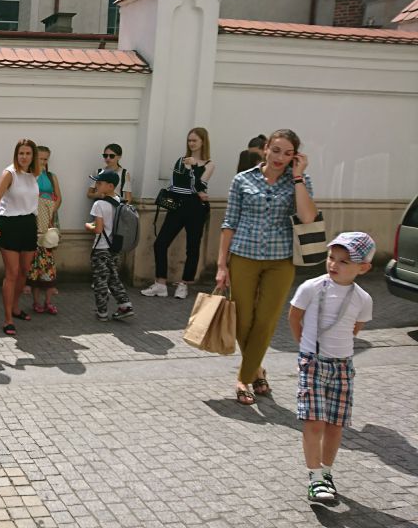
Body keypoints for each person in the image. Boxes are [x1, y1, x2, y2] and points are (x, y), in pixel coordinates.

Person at [216, 128, 318, 405]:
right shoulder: (242, 179)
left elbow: (308, 218)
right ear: (265, 149)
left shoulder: (299, 180)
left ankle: (243, 378)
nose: (279, 157)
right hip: (243, 256)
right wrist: (222, 264)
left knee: (266, 320)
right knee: (243, 320)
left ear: (295, 156)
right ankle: (257, 370)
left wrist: (298, 177)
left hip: (281, 260)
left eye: (287, 153)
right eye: (276, 150)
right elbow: (229, 223)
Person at [288, 232, 374, 503]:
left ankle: (326, 473)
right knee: (314, 422)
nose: (334, 264)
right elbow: (294, 317)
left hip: (343, 366)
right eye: (331, 257)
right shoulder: (311, 287)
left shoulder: (363, 298)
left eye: (344, 261)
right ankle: (314, 478)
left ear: (363, 268)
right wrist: (305, 347)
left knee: (335, 425)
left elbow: (354, 329)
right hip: (313, 362)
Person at [141, 127, 215, 300]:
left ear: (203, 141)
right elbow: (176, 184)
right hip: (178, 205)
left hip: (196, 208)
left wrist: (193, 168)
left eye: (195, 140)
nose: (191, 143)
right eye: (189, 140)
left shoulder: (209, 164)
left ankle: (184, 284)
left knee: (193, 247)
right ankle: (160, 283)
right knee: (160, 243)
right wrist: (195, 184)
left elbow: (200, 186)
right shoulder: (180, 161)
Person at [0, 139, 40, 336]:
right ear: (16, 155)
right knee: (12, 272)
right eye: (21, 153)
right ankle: (7, 318)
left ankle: (16, 308)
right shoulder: (9, 173)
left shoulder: (34, 174)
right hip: (10, 224)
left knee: (24, 271)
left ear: (33, 156)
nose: (24, 157)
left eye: (28, 153)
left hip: (29, 224)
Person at [85, 170, 134, 321]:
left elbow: (98, 229)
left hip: (101, 247)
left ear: (110, 186)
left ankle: (102, 312)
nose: (96, 186)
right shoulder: (121, 201)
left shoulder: (99, 204)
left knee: (100, 280)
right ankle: (125, 305)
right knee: (113, 277)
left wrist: (88, 226)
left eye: (100, 183)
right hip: (115, 247)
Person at [28, 145, 61, 315]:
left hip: (49, 218)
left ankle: (48, 297)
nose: (42, 161)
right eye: (40, 158)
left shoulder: (51, 176)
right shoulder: (29, 175)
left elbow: (59, 197)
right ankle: (34, 295)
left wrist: (49, 213)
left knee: (48, 254)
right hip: (33, 220)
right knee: (33, 258)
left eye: (45, 159)